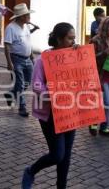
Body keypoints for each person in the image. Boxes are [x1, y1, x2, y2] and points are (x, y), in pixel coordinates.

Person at [22, 22, 77, 189]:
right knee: (57, 154)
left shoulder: (73, 55)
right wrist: (54, 96)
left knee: (66, 154)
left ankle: (62, 186)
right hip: (50, 113)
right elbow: (37, 85)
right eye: (70, 38)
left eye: (74, 38)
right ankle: (31, 171)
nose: (73, 42)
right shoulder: (44, 59)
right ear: (59, 39)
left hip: (70, 111)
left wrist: (82, 55)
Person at [3, 3, 34, 117]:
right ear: (21, 16)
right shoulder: (10, 28)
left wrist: (31, 56)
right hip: (16, 59)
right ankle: (22, 107)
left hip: (28, 59)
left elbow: (28, 42)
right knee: (20, 84)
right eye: (27, 15)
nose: (29, 17)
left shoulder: (26, 26)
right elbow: (7, 46)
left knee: (27, 82)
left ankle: (11, 94)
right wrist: (9, 62)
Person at [89, 16, 109, 136]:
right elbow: (89, 58)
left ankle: (104, 127)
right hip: (101, 76)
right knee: (106, 101)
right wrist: (103, 54)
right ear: (104, 26)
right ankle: (94, 122)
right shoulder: (96, 40)